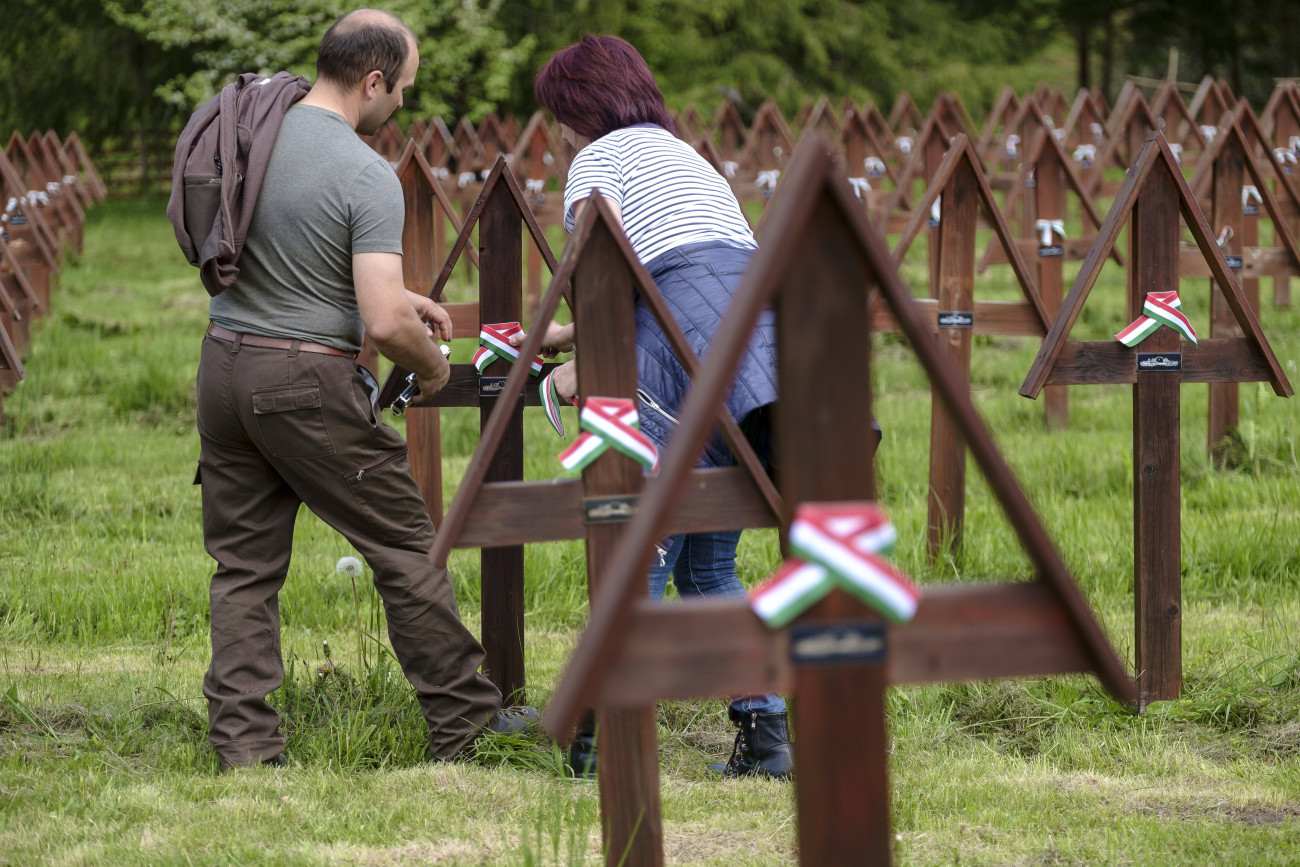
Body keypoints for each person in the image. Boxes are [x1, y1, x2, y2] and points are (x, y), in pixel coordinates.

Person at [195, 9, 534, 772]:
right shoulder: (363, 171)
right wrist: (434, 366)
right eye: (403, 89)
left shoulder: (252, 132)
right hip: (305, 382)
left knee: (244, 566)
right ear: (372, 80)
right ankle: (464, 724)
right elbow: (384, 324)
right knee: (406, 545)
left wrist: (387, 299)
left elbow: (298, 261)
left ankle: (245, 747)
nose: (404, 106)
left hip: (223, 365)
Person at [527, 35, 791, 780]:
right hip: (753, 355)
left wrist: (584, 362)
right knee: (708, 565)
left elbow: (605, 271)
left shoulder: (598, 160)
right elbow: (686, 267)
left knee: (635, 544)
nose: (560, 131)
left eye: (560, 114)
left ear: (580, 105)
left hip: (673, 360)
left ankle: (606, 740)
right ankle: (767, 739)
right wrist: (570, 333)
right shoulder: (683, 157)